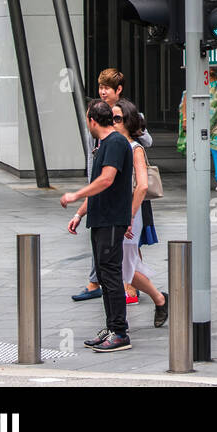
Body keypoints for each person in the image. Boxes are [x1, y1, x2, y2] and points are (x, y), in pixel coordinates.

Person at [72, 68, 154, 303]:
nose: (103, 92)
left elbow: (147, 141)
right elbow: (92, 153)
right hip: (103, 187)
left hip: (124, 188)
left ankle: (136, 289)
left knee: (127, 242)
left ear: (118, 90)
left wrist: (133, 126)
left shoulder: (130, 115)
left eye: (107, 88)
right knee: (107, 240)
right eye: (100, 87)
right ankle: (100, 282)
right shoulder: (97, 114)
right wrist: (91, 182)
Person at [61, 99, 133, 352]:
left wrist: (74, 196)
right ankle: (112, 327)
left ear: (92, 120)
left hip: (112, 219)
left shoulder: (115, 143)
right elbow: (99, 186)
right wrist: (80, 214)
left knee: (111, 275)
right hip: (102, 218)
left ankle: (120, 332)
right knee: (104, 274)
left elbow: (106, 180)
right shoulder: (105, 144)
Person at [111, 100, 169, 327]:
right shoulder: (112, 145)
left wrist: (130, 216)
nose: (112, 123)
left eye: (117, 119)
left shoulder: (134, 148)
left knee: (122, 266)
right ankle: (159, 299)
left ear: (127, 122)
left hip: (129, 215)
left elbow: (142, 187)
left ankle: (118, 324)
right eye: (111, 118)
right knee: (123, 266)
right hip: (116, 213)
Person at [178, 69, 217, 191]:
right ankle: (197, 177)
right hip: (199, 120)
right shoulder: (197, 79)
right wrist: (185, 119)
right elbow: (186, 98)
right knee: (197, 150)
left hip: (216, 122)